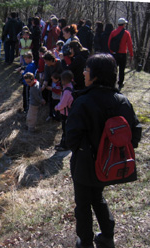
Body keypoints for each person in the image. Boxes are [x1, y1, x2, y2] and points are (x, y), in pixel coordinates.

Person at [65, 53, 141, 248]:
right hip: (108, 164)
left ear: (96, 75)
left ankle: (86, 242)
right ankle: (107, 236)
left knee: (83, 203)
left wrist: (83, 150)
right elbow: (135, 133)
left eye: (87, 70)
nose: (83, 73)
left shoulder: (83, 101)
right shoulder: (122, 100)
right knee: (97, 197)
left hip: (84, 164)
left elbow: (70, 138)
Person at [108, 18, 134, 90]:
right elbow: (129, 45)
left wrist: (112, 51)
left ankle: (113, 81)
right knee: (122, 69)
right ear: (124, 24)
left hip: (115, 53)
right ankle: (120, 82)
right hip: (123, 54)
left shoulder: (113, 32)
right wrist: (131, 54)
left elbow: (109, 43)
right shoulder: (126, 33)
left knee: (114, 68)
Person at [53, 71, 73, 150]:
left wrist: (56, 107)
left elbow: (63, 104)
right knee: (64, 129)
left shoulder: (67, 91)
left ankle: (65, 146)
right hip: (66, 112)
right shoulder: (69, 86)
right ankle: (62, 143)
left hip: (66, 113)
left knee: (65, 130)